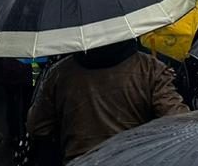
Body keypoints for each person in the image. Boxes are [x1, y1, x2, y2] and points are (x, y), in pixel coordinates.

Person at [27, 39, 188, 163]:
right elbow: (177, 121)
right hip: (136, 160)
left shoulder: (59, 72)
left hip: (80, 161)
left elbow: (37, 126)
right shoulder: (150, 68)